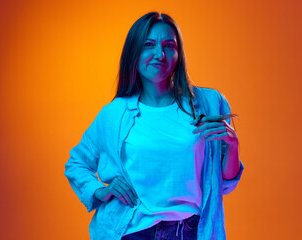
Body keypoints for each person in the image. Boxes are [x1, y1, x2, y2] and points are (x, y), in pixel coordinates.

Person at [64, 11, 244, 240]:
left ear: (179, 54)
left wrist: (232, 145)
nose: (160, 54)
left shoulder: (210, 103)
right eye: (149, 45)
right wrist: (100, 190)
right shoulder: (114, 114)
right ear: (134, 53)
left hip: (191, 231)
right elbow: (77, 163)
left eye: (170, 46)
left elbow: (224, 185)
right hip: (132, 231)